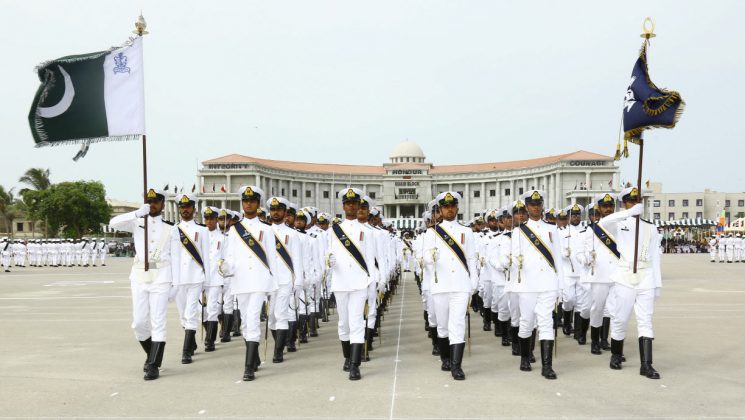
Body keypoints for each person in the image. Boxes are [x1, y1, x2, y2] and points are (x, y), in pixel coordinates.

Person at [109, 187, 176, 380]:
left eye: (156, 202)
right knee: (139, 323)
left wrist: (176, 286)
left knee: (158, 322)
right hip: (139, 275)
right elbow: (113, 223)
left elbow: (176, 259)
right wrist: (138, 212)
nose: (152, 205)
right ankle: (151, 354)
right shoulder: (137, 222)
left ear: (163, 204)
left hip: (162, 276)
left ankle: (153, 364)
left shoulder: (170, 228)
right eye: (149, 201)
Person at [600, 187, 662, 379]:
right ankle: (616, 355)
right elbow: (603, 222)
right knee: (620, 318)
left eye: (637, 201)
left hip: (645, 276)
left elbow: (654, 257)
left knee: (645, 320)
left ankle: (646, 364)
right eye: (630, 201)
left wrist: (657, 283)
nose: (634, 203)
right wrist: (628, 213)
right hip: (625, 275)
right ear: (624, 203)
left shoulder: (650, 227)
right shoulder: (619, 224)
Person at [219, 185, 277, 381]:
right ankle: (255, 357)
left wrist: (273, 285)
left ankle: (248, 368)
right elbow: (230, 257)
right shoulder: (234, 230)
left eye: (252, 201)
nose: (249, 204)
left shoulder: (267, 229)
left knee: (252, 319)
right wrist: (225, 267)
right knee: (245, 323)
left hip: (259, 281)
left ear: (258, 204)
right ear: (242, 204)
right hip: (241, 281)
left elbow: (272, 259)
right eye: (246, 201)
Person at [422, 191, 478, 381]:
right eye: (446, 207)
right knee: (443, 326)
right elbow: (424, 259)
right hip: (440, 285)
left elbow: (471, 259)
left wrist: (474, 282)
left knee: (458, 324)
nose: (450, 209)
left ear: (457, 208)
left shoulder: (467, 232)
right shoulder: (432, 233)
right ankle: (445, 358)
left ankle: (457, 365)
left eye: (453, 206)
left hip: (461, 285)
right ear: (440, 209)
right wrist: (431, 257)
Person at [326, 187, 380, 380]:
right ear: (343, 206)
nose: (350, 206)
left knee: (357, 323)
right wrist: (329, 261)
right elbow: (328, 254)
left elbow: (372, 259)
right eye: (347, 203)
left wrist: (372, 284)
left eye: (354, 203)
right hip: (340, 282)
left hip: (359, 283)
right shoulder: (333, 231)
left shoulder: (368, 232)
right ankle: (347, 357)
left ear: (358, 206)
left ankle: (355, 365)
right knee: (344, 323)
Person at [510, 190, 564, 379]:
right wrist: (515, 260)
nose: (535, 207)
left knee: (546, 322)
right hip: (527, 284)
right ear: (526, 207)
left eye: (538, 204)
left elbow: (558, 258)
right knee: (526, 323)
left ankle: (547, 366)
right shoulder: (518, 231)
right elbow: (515, 256)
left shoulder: (552, 229)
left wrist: (561, 286)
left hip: (548, 283)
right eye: (532, 205)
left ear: (542, 206)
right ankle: (525, 357)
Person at [172, 193, 211, 365]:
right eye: (182, 207)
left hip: (196, 277)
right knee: (182, 315)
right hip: (178, 279)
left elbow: (207, 258)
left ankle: (186, 351)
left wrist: (207, 281)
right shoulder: (173, 230)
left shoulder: (202, 231)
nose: (185, 210)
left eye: (188, 207)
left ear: (194, 209)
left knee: (191, 313)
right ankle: (192, 341)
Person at [266, 196, 304, 363]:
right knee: (271, 318)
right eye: (273, 210)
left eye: (279, 210)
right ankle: (279, 343)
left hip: (285, 280)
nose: (275, 212)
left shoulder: (292, 234)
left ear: (284, 212)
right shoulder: (264, 231)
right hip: (268, 281)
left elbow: (297, 260)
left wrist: (299, 281)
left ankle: (278, 351)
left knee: (281, 314)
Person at [201, 206, 224, 353]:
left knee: (212, 309)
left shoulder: (223, 238)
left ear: (216, 220)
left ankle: (210, 340)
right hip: (201, 278)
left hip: (216, 278)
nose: (209, 221)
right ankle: (208, 332)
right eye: (206, 218)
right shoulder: (200, 236)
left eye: (211, 218)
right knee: (199, 311)